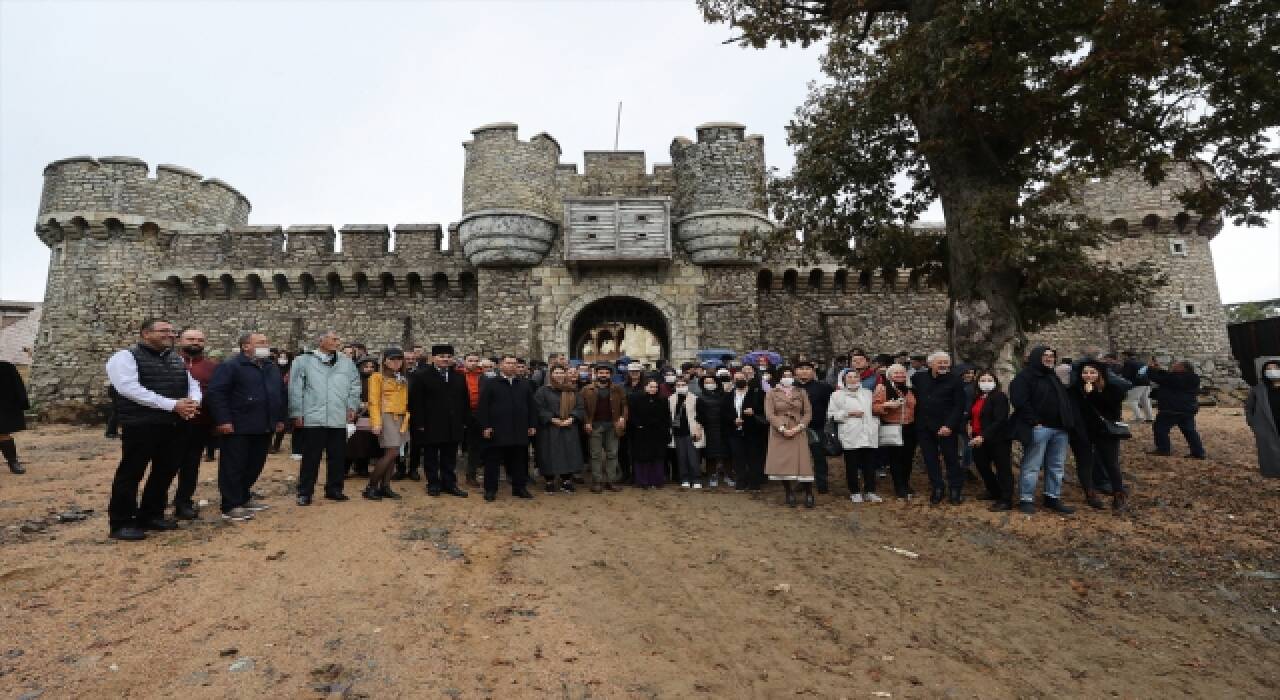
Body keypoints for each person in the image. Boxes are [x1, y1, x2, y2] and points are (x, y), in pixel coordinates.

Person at [104, 318, 202, 541]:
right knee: (131, 474)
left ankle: (151, 514)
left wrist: (193, 402)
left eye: (172, 331)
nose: (170, 334)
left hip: (173, 425)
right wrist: (172, 404)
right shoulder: (125, 357)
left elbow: (192, 384)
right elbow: (129, 388)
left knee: (164, 472)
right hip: (141, 425)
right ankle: (121, 522)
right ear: (145, 334)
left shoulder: (175, 359)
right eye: (163, 331)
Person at [206, 331, 286, 522]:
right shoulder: (231, 365)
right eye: (260, 342)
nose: (265, 345)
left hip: (264, 425)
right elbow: (217, 394)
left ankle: (243, 497)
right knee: (234, 466)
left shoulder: (270, 367)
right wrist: (223, 420)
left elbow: (280, 394)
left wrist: (280, 418)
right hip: (238, 425)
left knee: (254, 464)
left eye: (266, 341)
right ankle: (230, 505)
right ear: (245, 346)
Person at [289, 330, 362, 506]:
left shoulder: (346, 362)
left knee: (337, 455)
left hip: (337, 415)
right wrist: (297, 412)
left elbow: (355, 385)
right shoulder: (303, 361)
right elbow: (295, 388)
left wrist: (352, 405)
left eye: (338, 338)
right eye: (334, 339)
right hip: (314, 415)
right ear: (321, 341)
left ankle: (334, 489)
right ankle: (305, 492)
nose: (338, 342)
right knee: (311, 457)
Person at [1009, 346, 1077, 515]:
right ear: (1036, 357)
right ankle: (1026, 498)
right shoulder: (1025, 377)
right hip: (1040, 428)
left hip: (1059, 429)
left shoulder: (1052, 376)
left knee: (1056, 465)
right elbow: (1020, 401)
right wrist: (1034, 422)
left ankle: (1052, 497)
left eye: (1051, 356)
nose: (1049, 358)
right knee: (1032, 465)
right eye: (1045, 356)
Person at [408, 344, 470, 498]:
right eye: (442, 356)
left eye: (448, 357)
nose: (445, 359)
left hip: (453, 424)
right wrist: (419, 423)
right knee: (431, 456)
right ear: (433, 358)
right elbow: (416, 402)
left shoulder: (459, 377)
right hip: (431, 424)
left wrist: (464, 420)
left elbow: (464, 400)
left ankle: (449, 483)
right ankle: (433, 483)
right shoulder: (422, 376)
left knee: (450, 456)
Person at [476, 355, 538, 502]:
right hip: (497, 430)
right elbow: (483, 407)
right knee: (493, 461)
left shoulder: (524, 384)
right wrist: (485, 426)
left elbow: (532, 407)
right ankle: (490, 489)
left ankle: (519, 488)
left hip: (519, 429)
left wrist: (532, 424)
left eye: (514, 364)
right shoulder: (491, 384)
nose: (511, 366)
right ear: (500, 365)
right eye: (508, 363)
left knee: (519, 461)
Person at [170, 328, 217, 520]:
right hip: (170, 424)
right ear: (180, 341)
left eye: (200, 339)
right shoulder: (168, 363)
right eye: (191, 338)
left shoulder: (213, 367)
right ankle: (154, 505)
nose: (195, 342)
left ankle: (183, 502)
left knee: (191, 466)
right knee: (165, 465)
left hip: (199, 424)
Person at [1071, 360, 1130, 511]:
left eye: (1092, 372)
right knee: (1085, 463)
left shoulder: (1113, 389)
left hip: (1105, 431)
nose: (1088, 375)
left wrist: (1092, 394)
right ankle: (1090, 493)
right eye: (1085, 372)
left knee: (1111, 463)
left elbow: (1111, 409)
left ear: (1099, 374)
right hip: (1083, 432)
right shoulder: (1074, 390)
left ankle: (1119, 494)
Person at [911, 351, 968, 505]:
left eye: (946, 362)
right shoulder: (919, 378)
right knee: (930, 459)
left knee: (952, 459)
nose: (943, 365)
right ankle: (937, 487)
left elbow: (959, 405)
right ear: (930, 364)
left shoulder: (956, 381)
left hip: (946, 427)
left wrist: (949, 425)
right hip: (924, 427)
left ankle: (955, 489)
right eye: (939, 362)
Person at [363, 348, 410, 501]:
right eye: (392, 359)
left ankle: (385, 486)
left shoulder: (401, 377)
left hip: (401, 417)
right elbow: (373, 402)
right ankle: (371, 487)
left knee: (393, 454)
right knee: (391, 452)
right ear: (385, 361)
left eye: (399, 359)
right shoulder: (377, 377)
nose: (396, 362)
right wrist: (376, 422)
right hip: (386, 416)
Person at [764, 366, 815, 507]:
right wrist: (781, 428)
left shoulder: (801, 392)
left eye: (789, 375)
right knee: (783, 464)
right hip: (779, 431)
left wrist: (799, 427)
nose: (787, 377)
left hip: (798, 429)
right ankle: (789, 492)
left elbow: (808, 412)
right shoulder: (771, 393)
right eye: (784, 375)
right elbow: (769, 414)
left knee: (803, 463)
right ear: (779, 377)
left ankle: (809, 493)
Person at [828, 369, 880, 503]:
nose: (852, 379)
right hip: (850, 433)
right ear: (844, 380)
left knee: (870, 465)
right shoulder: (836, 395)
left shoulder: (868, 393)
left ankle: (870, 491)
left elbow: (876, 409)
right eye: (849, 377)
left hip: (868, 433)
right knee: (852, 464)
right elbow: (831, 415)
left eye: (855, 376)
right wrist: (848, 413)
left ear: (860, 379)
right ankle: (855, 491)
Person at [534, 365, 586, 493]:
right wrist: (552, 419)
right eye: (556, 373)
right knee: (549, 454)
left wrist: (572, 418)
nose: (559, 375)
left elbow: (580, 407)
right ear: (551, 375)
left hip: (568, 426)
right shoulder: (543, 391)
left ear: (565, 374)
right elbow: (538, 408)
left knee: (568, 453)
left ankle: (566, 481)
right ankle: (549, 481)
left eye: (561, 372)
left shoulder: (572, 390)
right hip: (549, 428)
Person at [967, 370, 1014, 511]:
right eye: (983, 380)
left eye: (989, 380)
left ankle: (1006, 499)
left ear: (995, 382)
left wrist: (983, 436)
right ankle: (994, 491)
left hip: (997, 439)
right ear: (978, 382)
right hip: (977, 437)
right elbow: (973, 414)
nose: (986, 383)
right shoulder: (978, 397)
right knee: (981, 466)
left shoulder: (1000, 397)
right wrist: (968, 424)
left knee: (1002, 468)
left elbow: (1000, 420)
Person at [872, 364, 917, 500]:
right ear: (890, 375)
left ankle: (905, 482)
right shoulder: (883, 388)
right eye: (896, 373)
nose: (900, 376)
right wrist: (886, 405)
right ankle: (899, 486)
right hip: (892, 426)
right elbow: (874, 407)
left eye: (902, 373)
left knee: (908, 458)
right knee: (896, 458)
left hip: (909, 427)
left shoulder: (911, 389)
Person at [1147, 358, 1207, 459]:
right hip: (1188, 408)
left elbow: (1158, 378)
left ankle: (1163, 449)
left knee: (1160, 428)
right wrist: (1159, 369)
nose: (1174, 366)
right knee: (1190, 431)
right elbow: (1168, 376)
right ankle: (1198, 452)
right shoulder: (1194, 378)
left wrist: (1151, 369)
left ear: (1183, 368)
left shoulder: (1175, 378)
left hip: (1171, 408)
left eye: (1177, 365)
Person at [581, 363, 628, 492]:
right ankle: (597, 482)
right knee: (595, 455)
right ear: (596, 374)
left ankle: (611, 481)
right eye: (601, 373)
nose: (604, 375)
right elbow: (582, 408)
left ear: (610, 375)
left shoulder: (618, 389)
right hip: (595, 426)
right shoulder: (587, 389)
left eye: (606, 373)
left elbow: (624, 405)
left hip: (613, 426)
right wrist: (586, 422)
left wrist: (623, 418)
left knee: (612, 454)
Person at [794, 360, 834, 494]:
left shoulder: (823, 387)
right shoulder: (791, 388)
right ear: (796, 372)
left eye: (807, 369)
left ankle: (822, 483)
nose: (804, 371)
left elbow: (831, 406)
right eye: (801, 368)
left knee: (819, 457)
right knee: (799, 457)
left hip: (817, 427)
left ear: (813, 371)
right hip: (796, 429)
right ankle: (802, 481)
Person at [724, 368, 767, 491]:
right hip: (735, 431)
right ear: (733, 380)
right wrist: (733, 420)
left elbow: (765, 409)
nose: (739, 381)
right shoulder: (729, 395)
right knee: (738, 458)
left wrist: (754, 411)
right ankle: (741, 482)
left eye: (742, 378)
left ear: (747, 379)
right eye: (736, 379)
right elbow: (724, 412)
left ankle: (754, 483)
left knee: (754, 457)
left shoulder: (757, 393)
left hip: (753, 431)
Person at [627, 378, 671, 489]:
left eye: (656, 387)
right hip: (642, 433)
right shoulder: (637, 399)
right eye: (651, 387)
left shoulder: (663, 400)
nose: (653, 389)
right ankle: (643, 481)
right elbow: (632, 414)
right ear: (645, 387)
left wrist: (664, 429)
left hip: (658, 433)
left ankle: (656, 481)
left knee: (657, 457)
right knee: (642, 457)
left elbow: (666, 417)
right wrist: (638, 425)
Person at [1246, 357, 1280, 478]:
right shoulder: (1257, 390)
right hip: (1266, 424)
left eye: (1275, 368)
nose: (1272, 371)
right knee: (1271, 450)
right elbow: (1249, 408)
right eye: (1268, 369)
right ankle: (1273, 471)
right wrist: (1253, 423)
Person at [345, 358, 379, 477]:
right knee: (352, 443)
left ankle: (362, 467)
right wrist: (359, 405)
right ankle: (345, 468)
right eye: (366, 366)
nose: (369, 369)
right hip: (355, 415)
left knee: (367, 443)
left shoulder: (377, 380)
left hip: (370, 416)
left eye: (372, 367)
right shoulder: (354, 380)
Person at [668, 376, 704, 489]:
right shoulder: (671, 399)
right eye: (678, 385)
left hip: (692, 431)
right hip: (677, 432)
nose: (680, 387)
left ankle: (696, 479)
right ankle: (684, 478)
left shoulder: (695, 398)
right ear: (675, 387)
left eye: (683, 385)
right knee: (681, 457)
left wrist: (698, 429)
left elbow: (701, 416)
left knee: (693, 457)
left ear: (687, 386)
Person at [696, 374, 729, 488]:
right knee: (711, 454)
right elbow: (699, 414)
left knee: (726, 453)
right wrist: (700, 427)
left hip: (724, 427)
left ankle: (727, 475)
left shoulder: (724, 395)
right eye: (707, 382)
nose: (709, 384)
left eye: (711, 382)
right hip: (709, 428)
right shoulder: (700, 397)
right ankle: (712, 475)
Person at [460, 352, 486, 488]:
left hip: (477, 414)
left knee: (474, 446)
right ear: (464, 361)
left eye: (476, 361)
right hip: (460, 414)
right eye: (470, 360)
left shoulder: (484, 377)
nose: (473, 363)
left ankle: (471, 475)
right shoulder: (458, 375)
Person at [0, 360, 30, 475]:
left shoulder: (6, 367)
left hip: (3, 404)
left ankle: (13, 462)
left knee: (2, 433)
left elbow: (18, 386)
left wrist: (22, 403)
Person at [1120, 351, 1154, 422]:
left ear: (1126, 356)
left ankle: (1139, 417)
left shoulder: (1128, 363)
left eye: (1123, 356)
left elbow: (1126, 375)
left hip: (1137, 384)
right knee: (1145, 400)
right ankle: (1149, 417)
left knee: (1132, 400)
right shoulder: (1142, 362)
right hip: (1147, 383)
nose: (1122, 358)